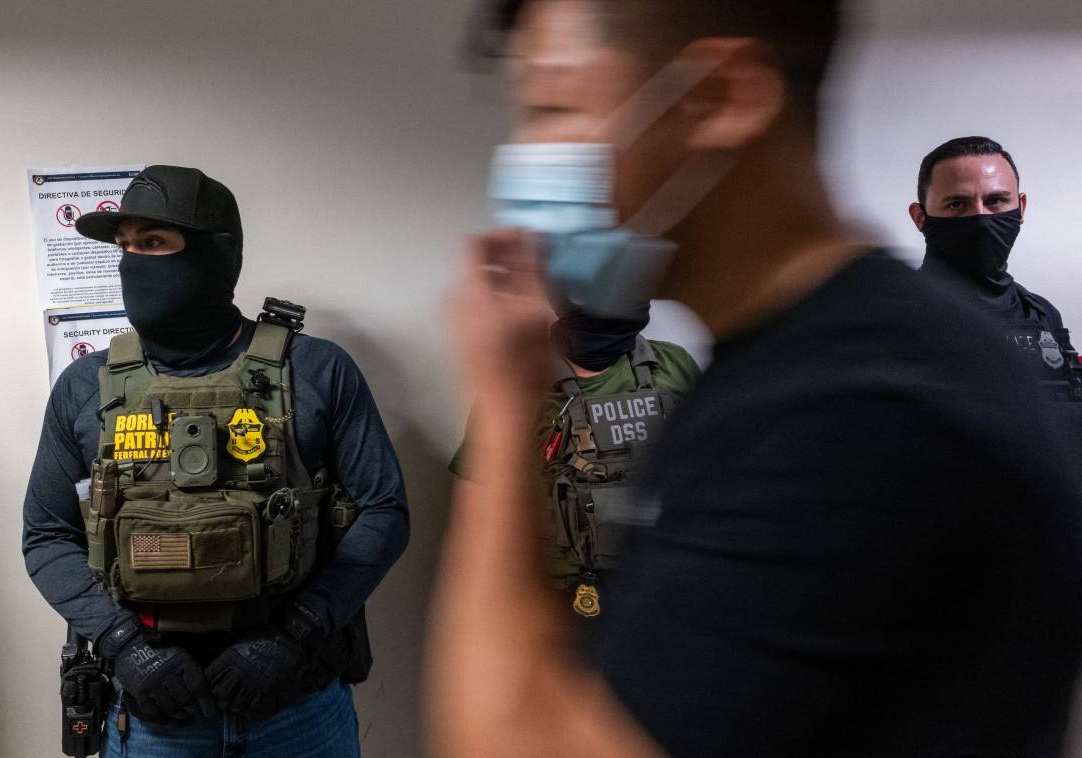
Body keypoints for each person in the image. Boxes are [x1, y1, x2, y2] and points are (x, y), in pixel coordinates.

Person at [426, 2, 1082, 756]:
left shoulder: (861, 411)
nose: (525, 154)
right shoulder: (787, 365)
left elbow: (522, 744)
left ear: (721, 99)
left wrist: (506, 404)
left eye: (555, 107)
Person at [22, 165, 409, 756]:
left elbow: (384, 511)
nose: (133, 262)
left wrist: (296, 633)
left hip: (297, 709)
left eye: (152, 243)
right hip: (153, 722)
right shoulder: (85, 385)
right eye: (125, 246)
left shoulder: (318, 370)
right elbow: (47, 535)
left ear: (215, 256)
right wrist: (126, 646)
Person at [449, 300, 701, 620]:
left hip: (666, 596)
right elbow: (476, 523)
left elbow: (718, 481)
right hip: (564, 609)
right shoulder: (523, 381)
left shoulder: (671, 364)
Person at [910, 136, 1082, 403]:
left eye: (996, 201)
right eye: (957, 204)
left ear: (1020, 208)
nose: (980, 219)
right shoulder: (891, 317)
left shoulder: (1042, 315)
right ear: (920, 218)